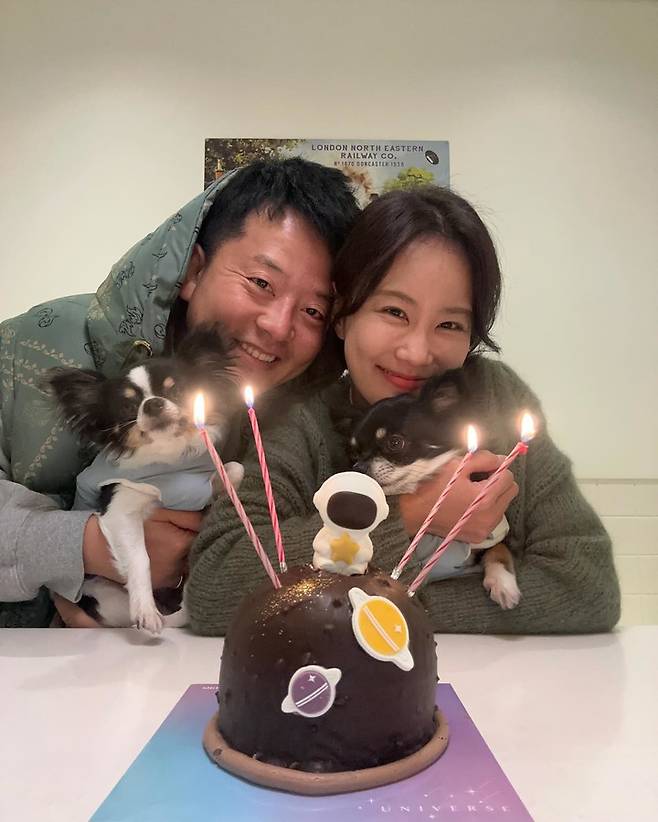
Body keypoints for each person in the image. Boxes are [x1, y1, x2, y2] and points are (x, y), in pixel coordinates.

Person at [187, 186, 620, 635]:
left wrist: (386, 611)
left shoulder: (498, 402)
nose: (416, 353)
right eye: (395, 312)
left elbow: (588, 587)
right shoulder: (303, 422)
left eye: (449, 324)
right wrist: (412, 515)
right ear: (343, 314)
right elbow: (215, 590)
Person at [0, 158, 360, 627]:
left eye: (313, 311)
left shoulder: (304, 416)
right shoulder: (26, 350)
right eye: (261, 283)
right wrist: (86, 545)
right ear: (193, 269)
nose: (278, 326)